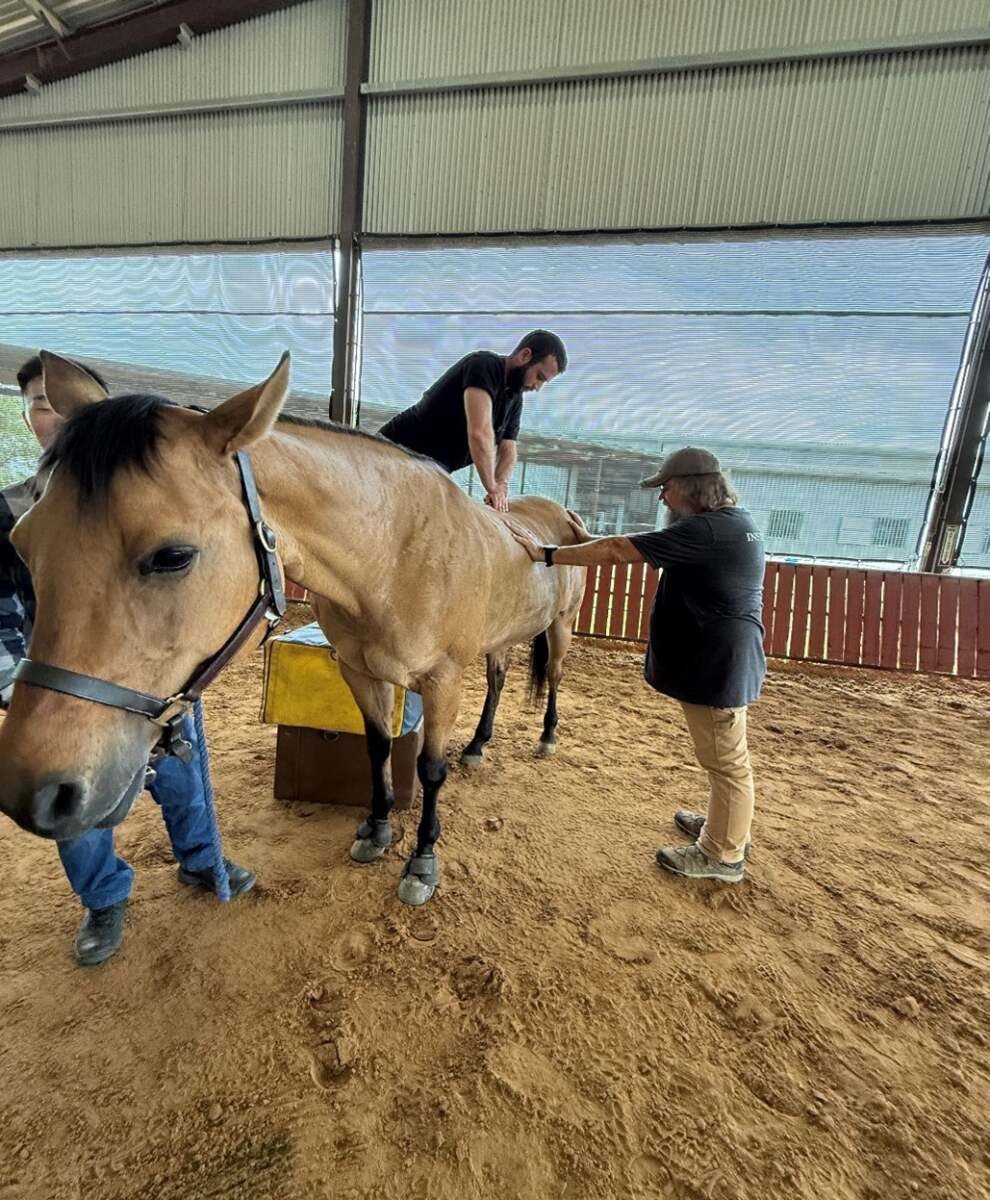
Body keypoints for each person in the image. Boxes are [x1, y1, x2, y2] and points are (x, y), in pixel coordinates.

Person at [0, 355, 256, 966]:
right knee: (78, 802)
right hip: (65, 681)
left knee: (183, 772)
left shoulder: (139, 495)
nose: (51, 412)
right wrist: (14, 681)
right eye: (38, 401)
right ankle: (105, 898)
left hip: (145, 680)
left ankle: (200, 859)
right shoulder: (13, 507)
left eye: (57, 401)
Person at [511, 447, 765, 883]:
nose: (663, 498)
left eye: (666, 488)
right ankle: (723, 827)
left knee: (727, 762)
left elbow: (616, 551)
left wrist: (545, 553)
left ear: (690, 487)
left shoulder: (706, 531)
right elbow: (634, 548)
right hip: (724, 658)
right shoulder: (730, 525)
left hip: (718, 664)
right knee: (722, 757)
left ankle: (722, 855)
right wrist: (591, 538)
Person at [378, 330, 567, 512]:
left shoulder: (515, 398)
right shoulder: (484, 366)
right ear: (525, 355)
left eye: (544, 382)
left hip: (428, 471)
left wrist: (501, 484)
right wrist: (491, 486)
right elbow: (480, 433)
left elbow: (508, 449)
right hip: (392, 454)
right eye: (539, 377)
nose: (537, 387)